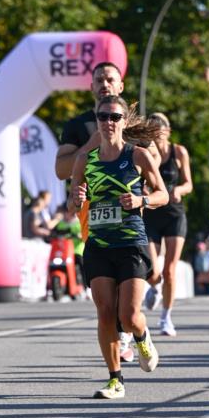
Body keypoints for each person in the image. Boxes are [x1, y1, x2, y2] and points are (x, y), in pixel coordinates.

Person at [56, 61, 161, 364]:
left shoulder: (130, 125)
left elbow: (153, 164)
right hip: (92, 221)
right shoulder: (79, 126)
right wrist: (93, 144)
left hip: (129, 221)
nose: (104, 84)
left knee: (130, 305)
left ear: (121, 85)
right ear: (91, 87)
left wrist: (139, 190)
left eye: (110, 79)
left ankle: (130, 330)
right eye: (99, 79)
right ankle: (117, 365)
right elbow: (61, 170)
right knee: (106, 304)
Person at [69, 95, 168, 400]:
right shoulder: (85, 160)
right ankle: (115, 380)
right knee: (105, 312)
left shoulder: (138, 156)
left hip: (131, 243)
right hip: (98, 244)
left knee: (128, 315)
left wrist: (141, 200)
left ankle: (142, 336)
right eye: (103, 117)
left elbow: (163, 194)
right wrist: (77, 199)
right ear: (97, 122)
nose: (108, 122)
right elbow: (74, 204)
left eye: (114, 117)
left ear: (124, 122)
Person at [142, 112, 193, 336]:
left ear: (168, 131)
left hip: (174, 215)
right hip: (152, 215)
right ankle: (154, 287)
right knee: (152, 271)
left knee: (170, 270)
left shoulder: (179, 152)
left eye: (160, 131)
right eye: (153, 132)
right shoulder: (145, 153)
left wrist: (179, 190)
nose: (157, 136)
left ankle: (166, 317)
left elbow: (189, 183)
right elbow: (139, 180)